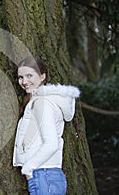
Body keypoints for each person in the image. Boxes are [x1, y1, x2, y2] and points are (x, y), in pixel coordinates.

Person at [12, 57, 80, 195]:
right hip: (46, 174)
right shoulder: (41, 101)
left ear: (42, 76)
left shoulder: (42, 103)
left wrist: (28, 168)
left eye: (29, 76)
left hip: (43, 174)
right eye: (21, 77)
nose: (24, 82)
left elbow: (51, 143)